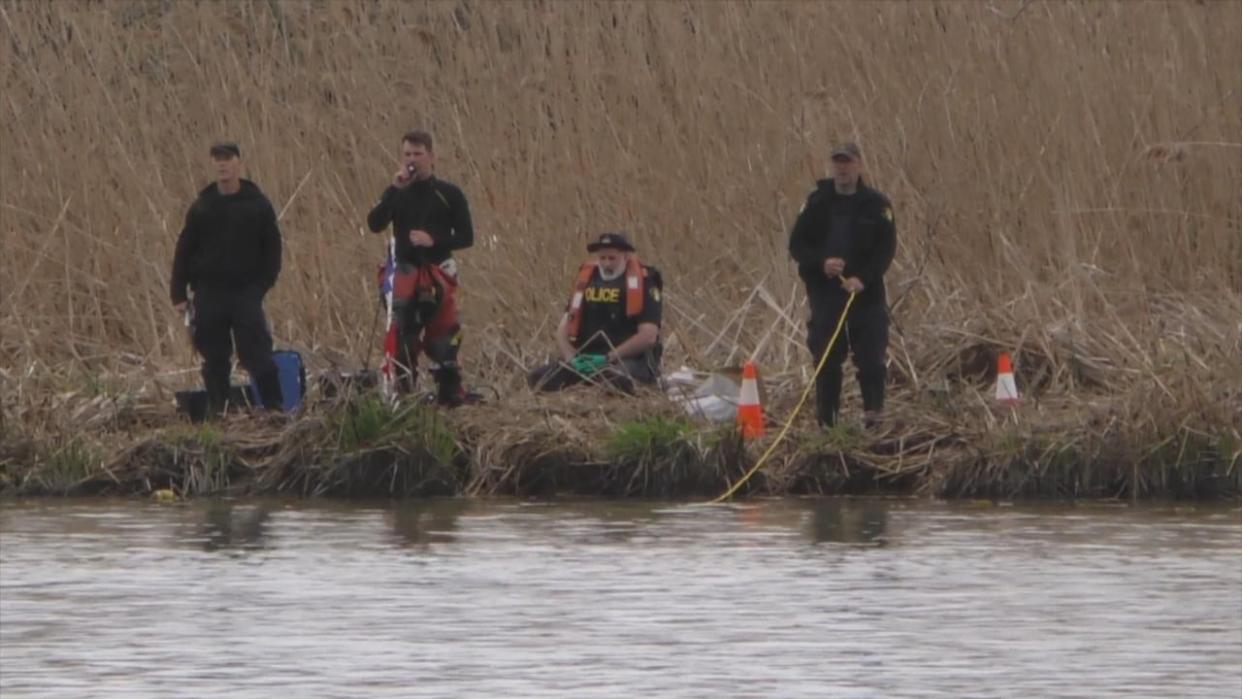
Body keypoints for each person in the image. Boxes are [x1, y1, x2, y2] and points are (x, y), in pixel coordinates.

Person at [170, 141, 283, 415]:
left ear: (238, 163)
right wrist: (179, 293)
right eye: (217, 159)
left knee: (256, 352)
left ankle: (275, 409)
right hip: (210, 291)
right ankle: (219, 410)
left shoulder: (257, 204)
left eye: (227, 158)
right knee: (214, 356)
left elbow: (273, 251)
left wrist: (260, 287)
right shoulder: (203, 206)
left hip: (246, 291)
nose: (222, 164)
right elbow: (184, 250)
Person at [788, 142, 896, 428]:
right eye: (837, 162)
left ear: (859, 165)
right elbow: (797, 245)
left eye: (847, 162)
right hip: (826, 296)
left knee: (871, 361)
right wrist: (822, 263)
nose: (842, 168)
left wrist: (863, 278)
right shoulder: (816, 203)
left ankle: (874, 421)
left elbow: (885, 251)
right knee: (826, 361)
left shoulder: (877, 205)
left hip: (865, 297)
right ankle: (828, 425)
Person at [366, 130, 474, 406]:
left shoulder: (449, 193)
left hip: (438, 272)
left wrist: (434, 240)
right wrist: (393, 190)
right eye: (407, 154)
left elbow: (466, 237)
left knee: (444, 341)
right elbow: (375, 224)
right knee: (403, 338)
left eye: (418, 154)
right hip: (405, 272)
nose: (412, 160)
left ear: (432, 157)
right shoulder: (398, 193)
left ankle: (450, 397)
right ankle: (405, 398)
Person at [528, 232, 663, 393]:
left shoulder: (645, 283)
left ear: (625, 256)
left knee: (615, 381)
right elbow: (563, 328)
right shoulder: (586, 280)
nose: (606, 264)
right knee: (538, 378)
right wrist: (572, 358)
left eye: (612, 259)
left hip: (626, 359)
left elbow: (648, 336)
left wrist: (609, 357)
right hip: (587, 359)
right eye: (602, 258)